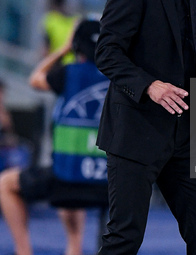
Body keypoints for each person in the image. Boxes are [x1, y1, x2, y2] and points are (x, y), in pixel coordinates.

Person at [95, 0, 196, 254]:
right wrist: (149, 85)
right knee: (125, 237)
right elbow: (106, 52)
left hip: (187, 134)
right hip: (136, 131)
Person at [0, 19, 109, 255]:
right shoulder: (120, 79)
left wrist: (62, 50)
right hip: (109, 186)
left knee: (6, 184)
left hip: (66, 182)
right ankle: (74, 248)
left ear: (76, 47)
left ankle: (23, 251)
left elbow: (35, 78)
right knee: (68, 176)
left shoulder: (68, 74)